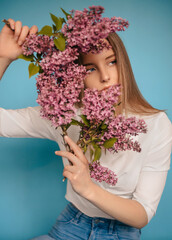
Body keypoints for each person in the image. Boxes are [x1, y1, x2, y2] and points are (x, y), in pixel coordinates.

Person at [0, 16, 172, 240]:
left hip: (121, 233)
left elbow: (143, 214)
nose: (106, 77)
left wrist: (88, 187)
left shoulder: (156, 124)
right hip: (70, 225)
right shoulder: (63, 115)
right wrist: (3, 58)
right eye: (90, 68)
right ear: (75, 76)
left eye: (112, 62)